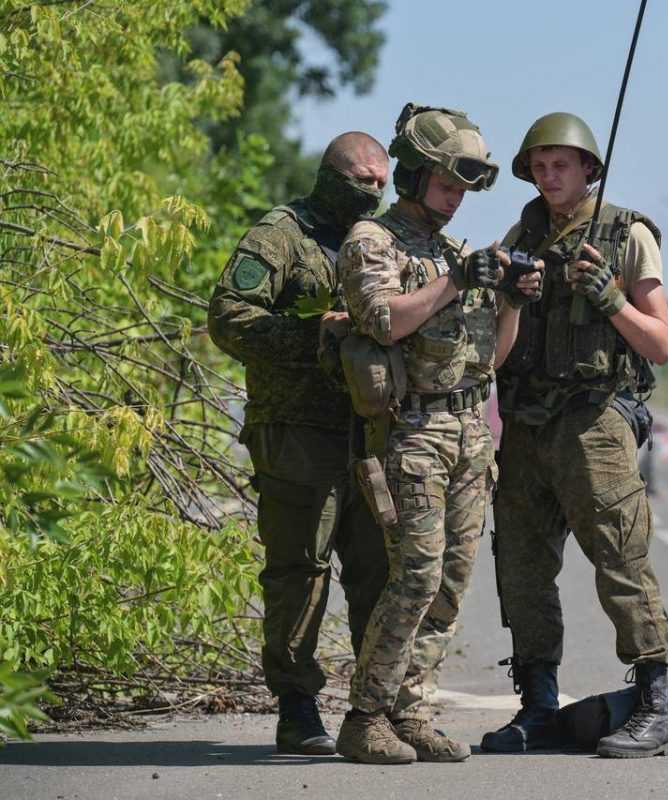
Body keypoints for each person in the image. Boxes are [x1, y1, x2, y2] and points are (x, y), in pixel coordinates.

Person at [333, 103, 541, 765]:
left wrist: (511, 298)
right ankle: (366, 715)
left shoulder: (456, 252)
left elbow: (494, 357)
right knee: (415, 578)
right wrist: (456, 281)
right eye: (447, 185)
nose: (454, 201)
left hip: (469, 432)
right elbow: (385, 321)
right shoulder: (374, 241)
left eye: (462, 190)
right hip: (413, 433)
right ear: (416, 176)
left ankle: (411, 710)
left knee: (451, 584)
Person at [481, 112, 668, 759]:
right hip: (527, 427)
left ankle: (654, 706)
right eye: (538, 166)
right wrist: (510, 296)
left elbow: (662, 344)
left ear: (589, 167)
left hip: (596, 422)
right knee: (522, 569)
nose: (549, 175)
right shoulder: (523, 234)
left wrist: (610, 297)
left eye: (560, 163)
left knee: (621, 560)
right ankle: (538, 706)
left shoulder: (628, 235)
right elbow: (496, 356)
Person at [207, 132, 390, 755]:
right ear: (332, 175)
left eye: (383, 181)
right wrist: (314, 336)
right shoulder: (281, 235)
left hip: (369, 434)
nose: (375, 190)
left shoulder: (381, 243)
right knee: (300, 572)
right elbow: (228, 317)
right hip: (296, 436)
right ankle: (297, 705)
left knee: (378, 573)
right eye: (364, 179)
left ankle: (376, 706)